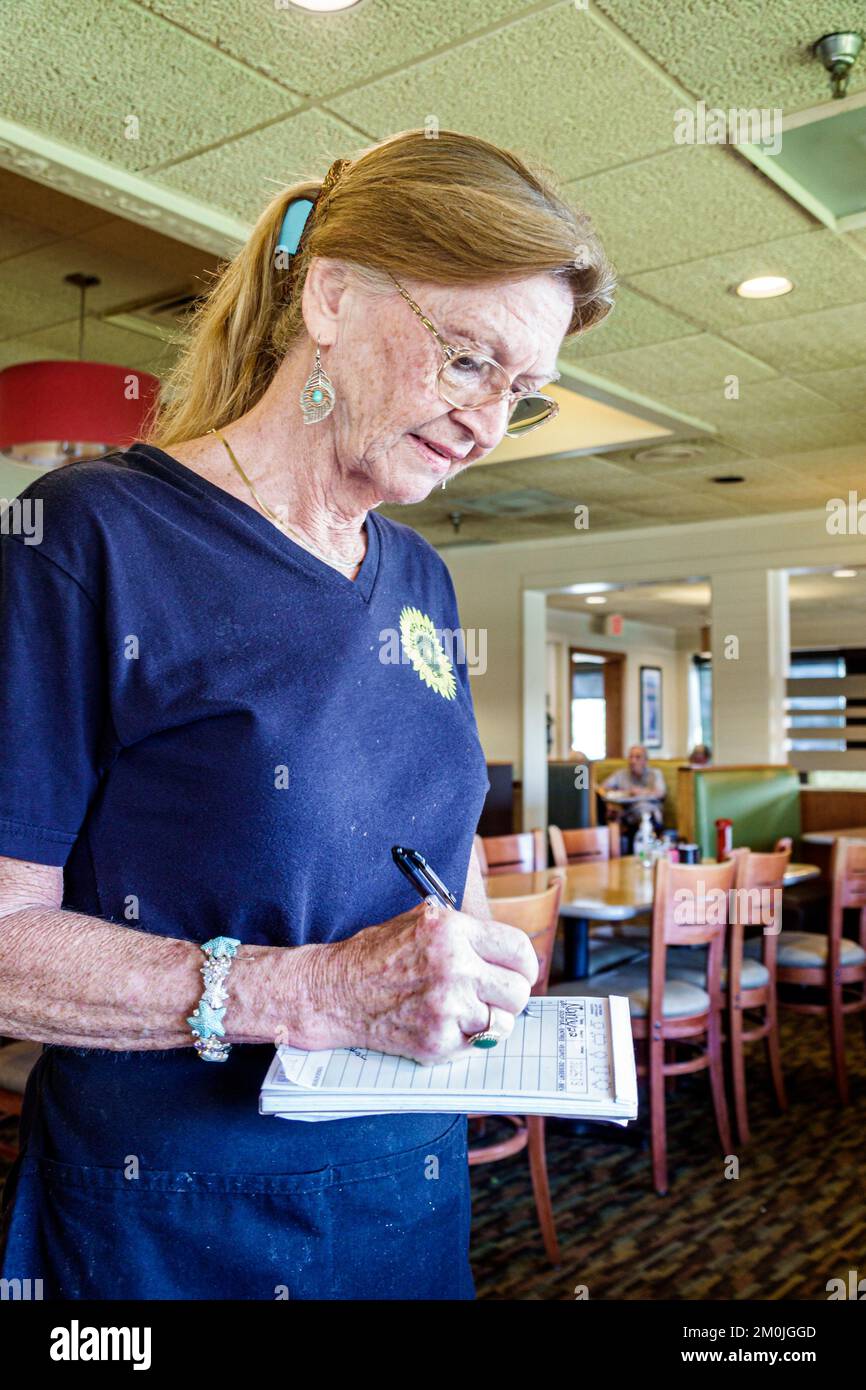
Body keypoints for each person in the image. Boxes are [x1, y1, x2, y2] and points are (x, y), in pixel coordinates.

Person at [0, 129, 615, 1299]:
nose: (487, 423)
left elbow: (440, 860)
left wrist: (472, 964)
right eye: (469, 360)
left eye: (520, 396)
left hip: (402, 1187)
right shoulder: (92, 537)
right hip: (168, 1213)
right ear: (329, 295)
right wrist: (307, 992)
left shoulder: (419, 575)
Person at [601, 745, 666, 842]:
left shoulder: (655, 773)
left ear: (645, 761)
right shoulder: (621, 774)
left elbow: (661, 793)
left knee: (646, 810)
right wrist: (621, 793)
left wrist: (641, 792)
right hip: (625, 812)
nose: (633, 761)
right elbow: (602, 788)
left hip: (648, 813)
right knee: (612, 813)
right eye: (631, 757)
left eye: (638, 757)